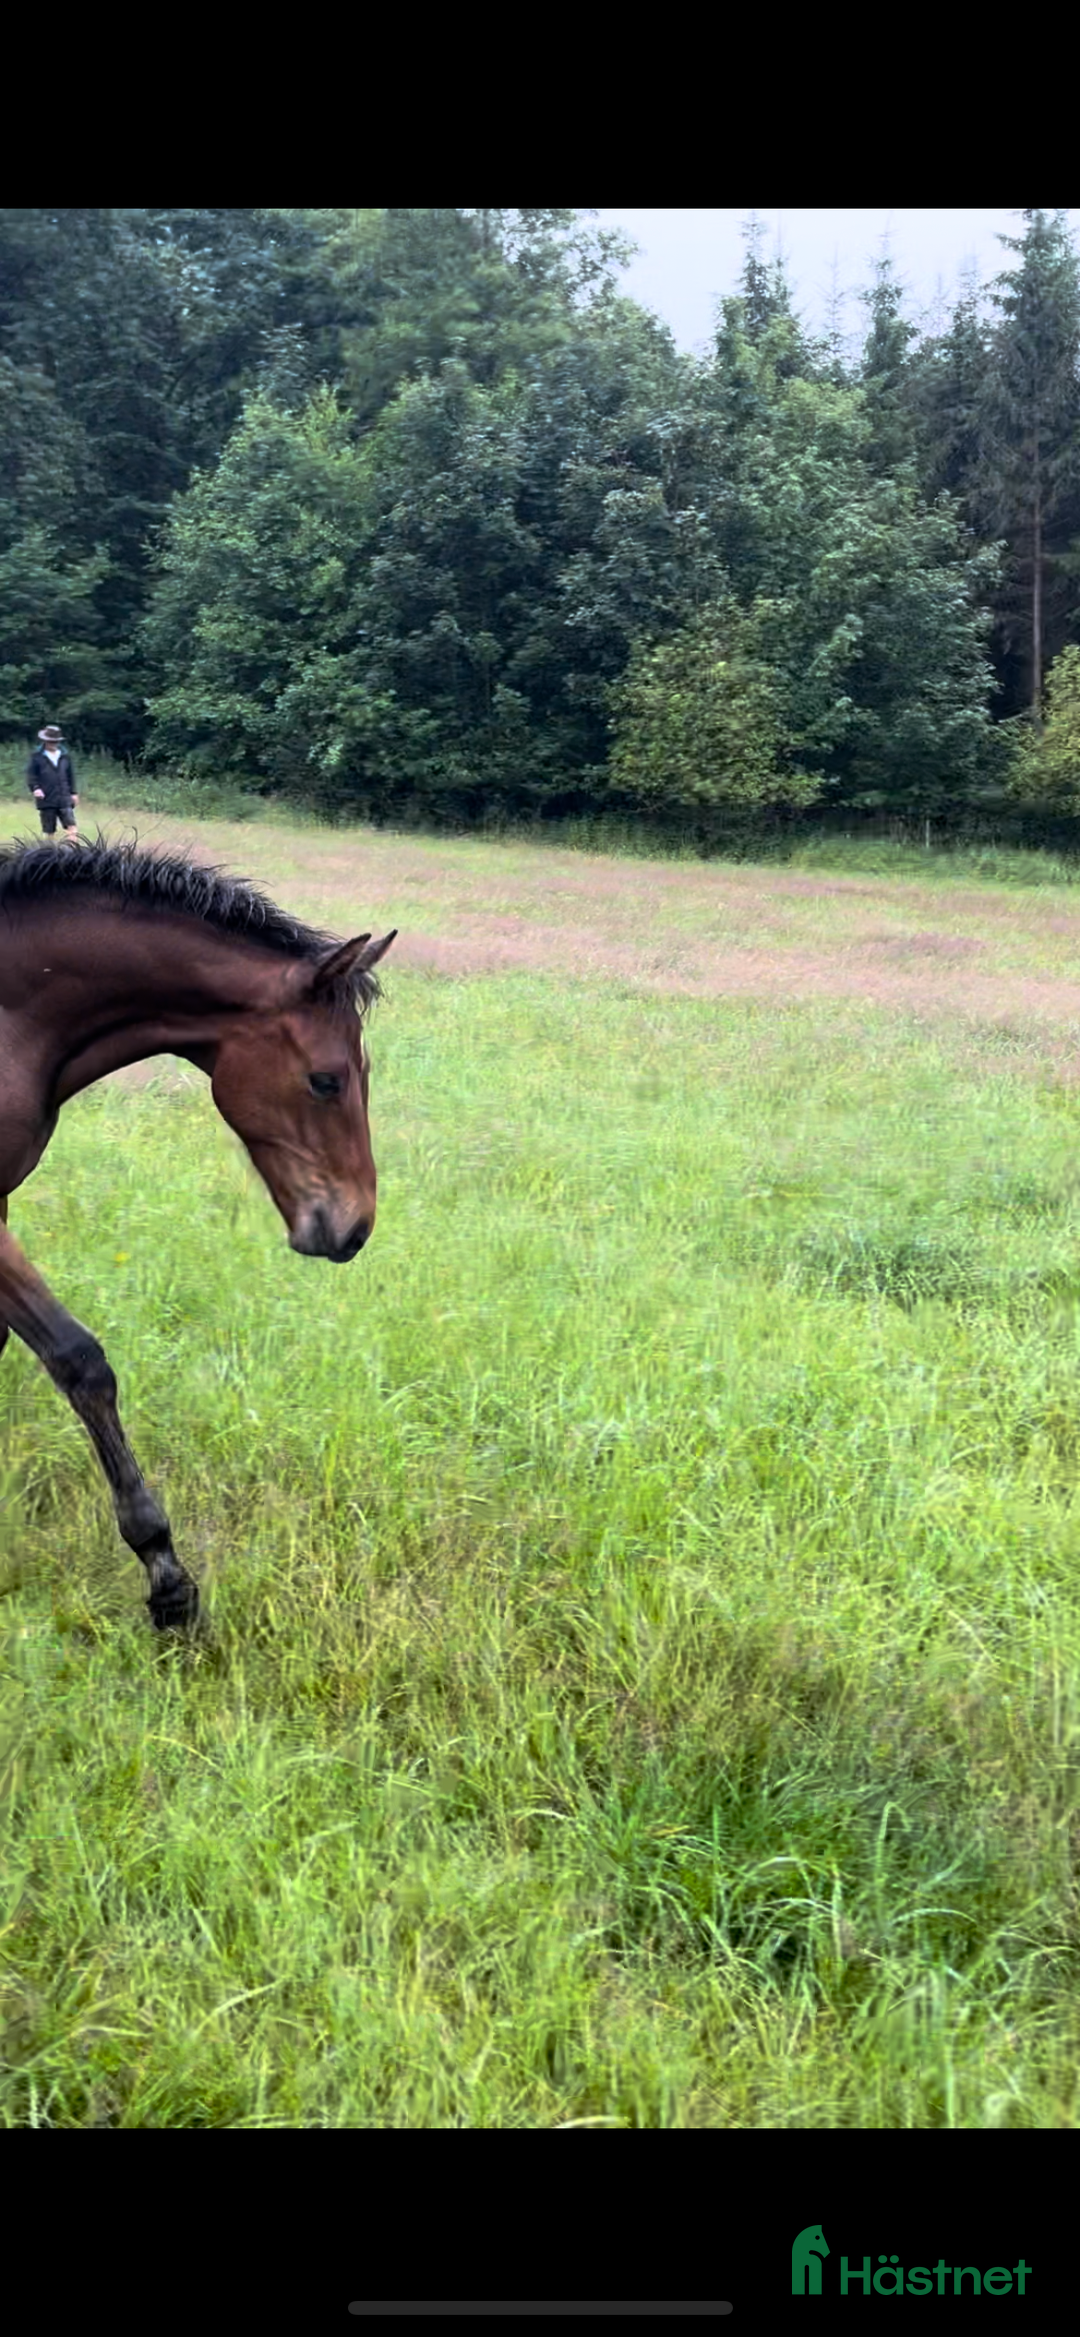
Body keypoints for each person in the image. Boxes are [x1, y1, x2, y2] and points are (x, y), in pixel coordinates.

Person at [26, 724, 79, 841]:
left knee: (71, 825)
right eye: (50, 741)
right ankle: (49, 853)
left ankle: (74, 850)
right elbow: (31, 775)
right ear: (45, 741)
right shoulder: (36, 757)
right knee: (49, 830)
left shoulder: (65, 757)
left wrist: (73, 793)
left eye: (55, 741)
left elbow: (71, 776)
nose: (52, 744)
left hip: (64, 796)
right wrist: (35, 788)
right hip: (46, 798)